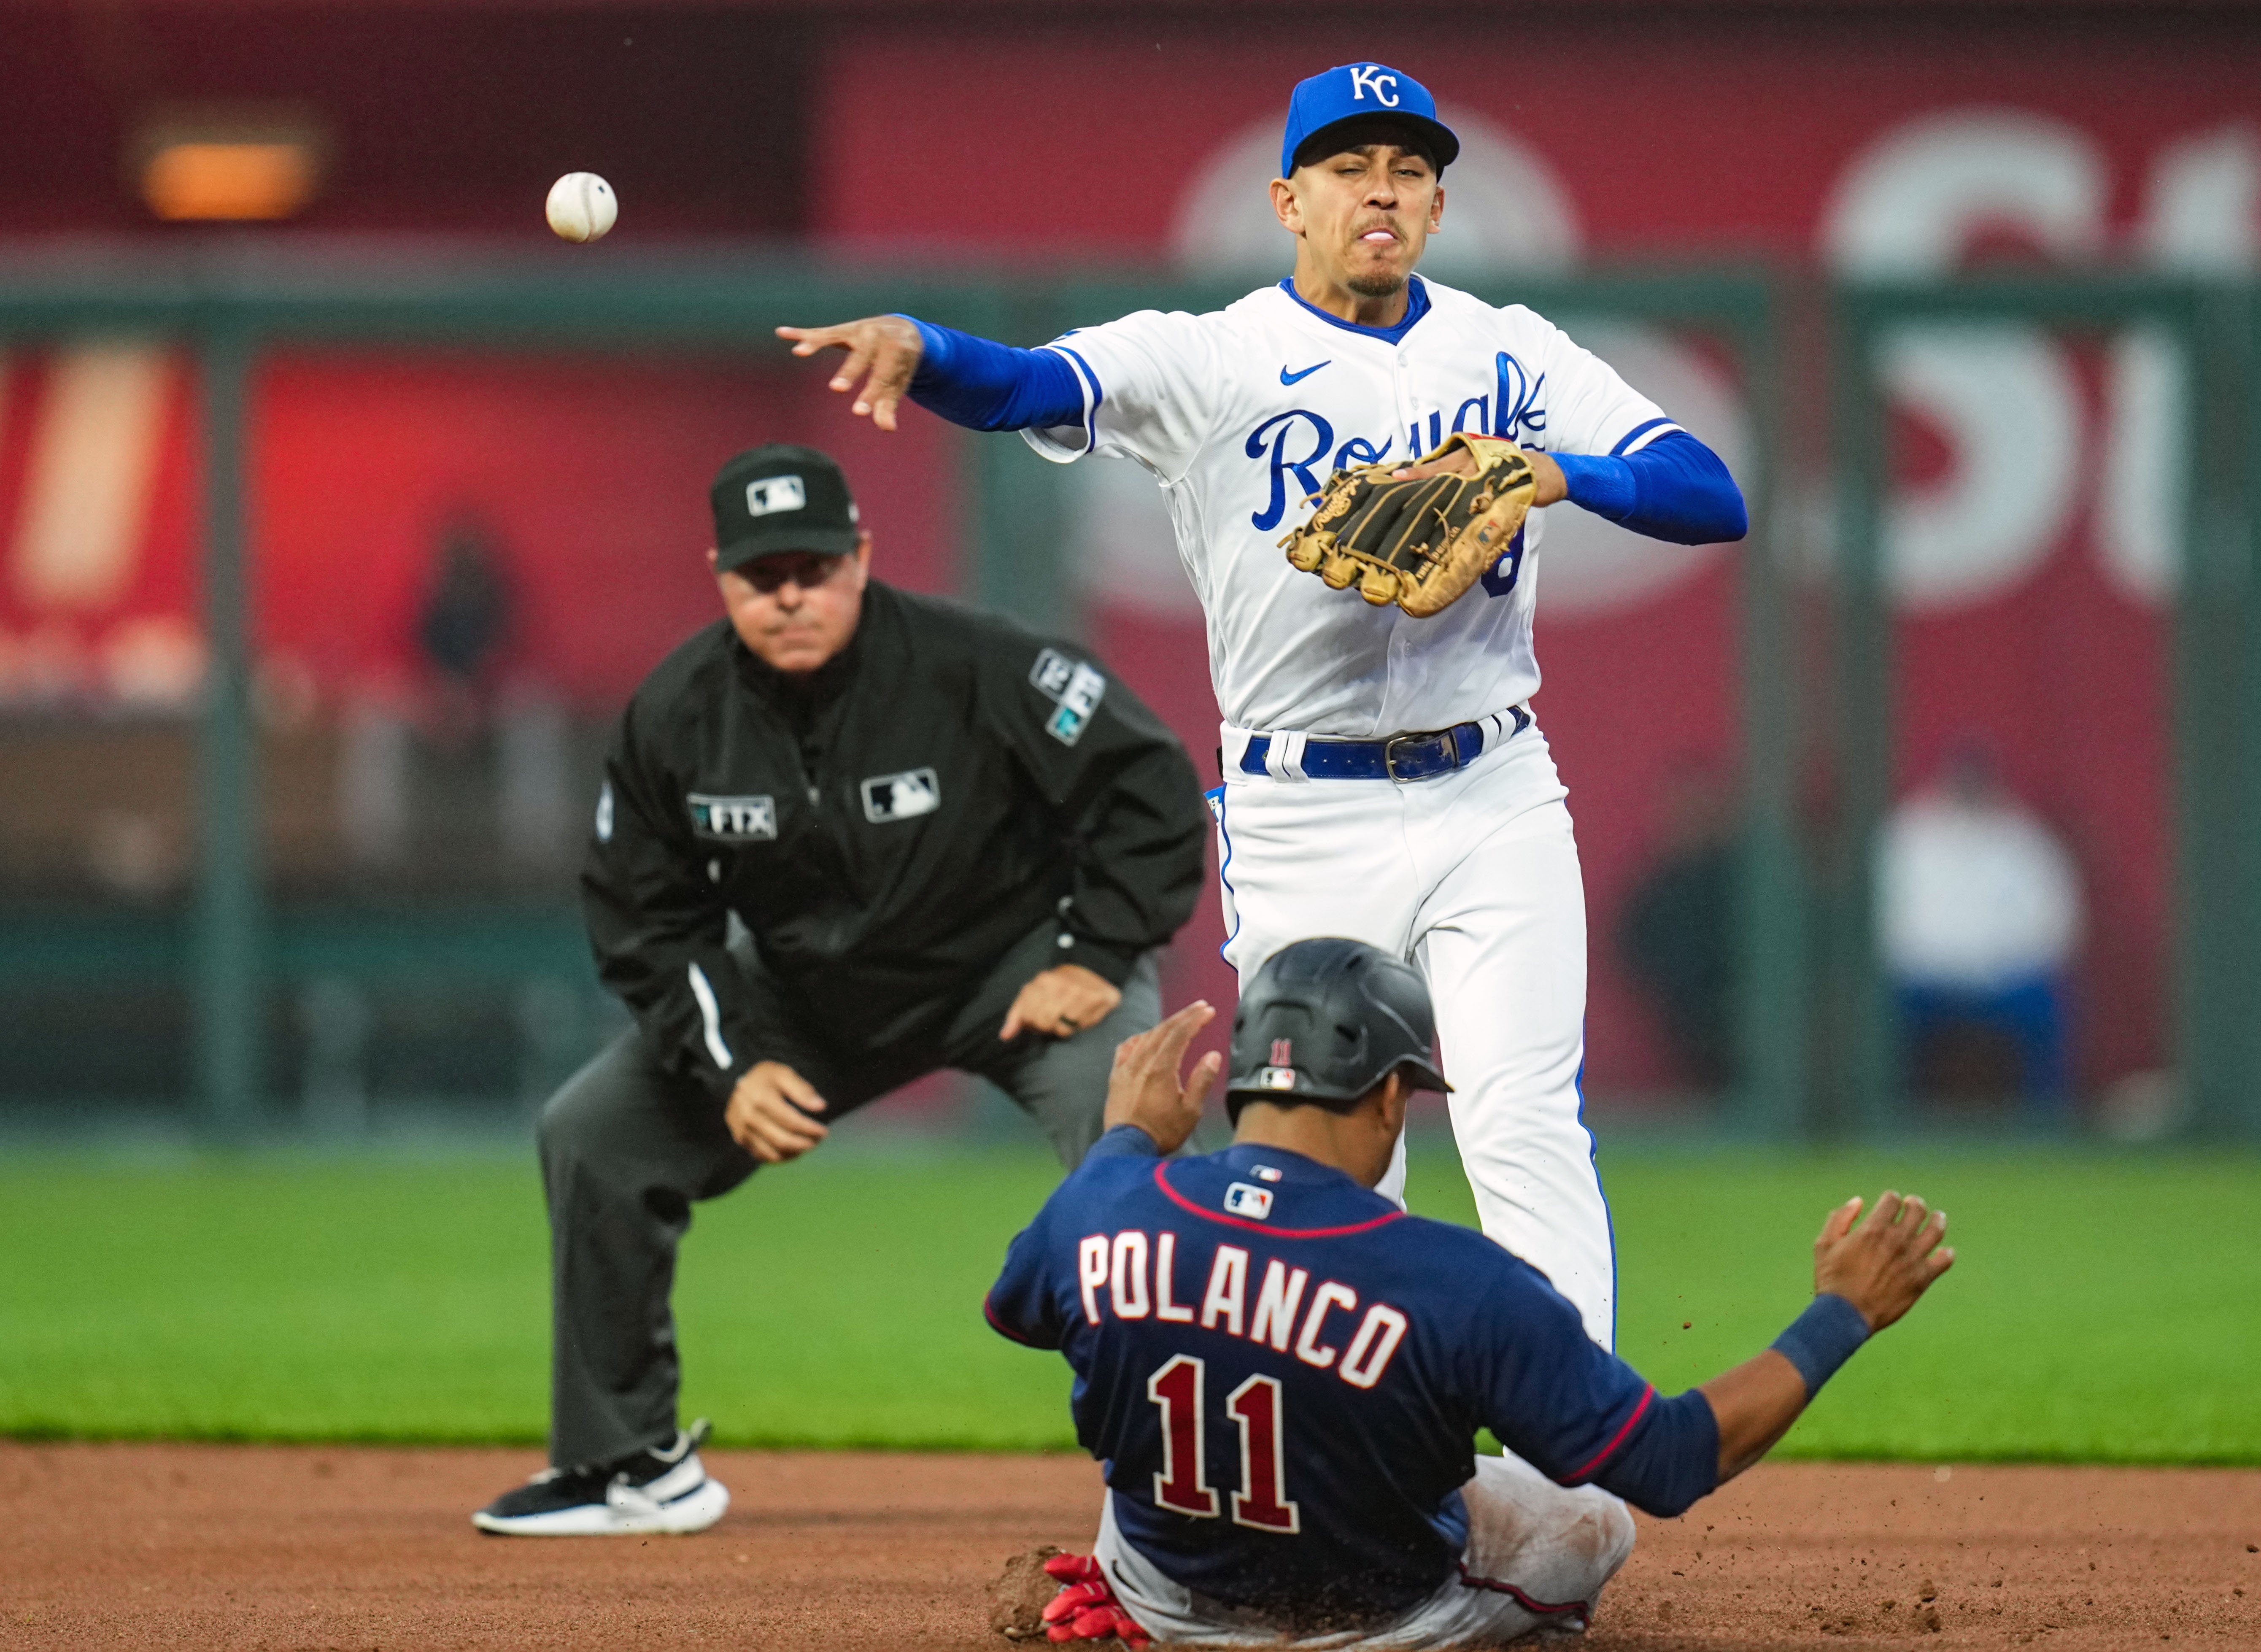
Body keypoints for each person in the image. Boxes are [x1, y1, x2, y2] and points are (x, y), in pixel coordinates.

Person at [777, 62, 1747, 1352]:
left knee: (1520, 1113)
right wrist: (926, 350)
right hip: (1302, 812)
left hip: (1492, 791)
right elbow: (1026, 385)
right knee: (1331, 1153)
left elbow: (1707, 491)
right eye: (1350, 168)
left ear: (1440, 206)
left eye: (1407, 169)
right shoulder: (1212, 356)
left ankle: (1559, 1463)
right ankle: (1361, 1460)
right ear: (1288, 200)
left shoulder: (1512, 352)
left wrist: (1557, 469)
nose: (1381, 190)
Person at [472, 444, 1208, 1537]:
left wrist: (1096, 955)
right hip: (808, 996)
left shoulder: (972, 662)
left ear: (862, 558)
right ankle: (626, 1464)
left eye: (813, 568)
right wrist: (731, 1065)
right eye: (763, 576)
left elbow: (1147, 783)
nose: (791, 596)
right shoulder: (677, 712)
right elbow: (643, 918)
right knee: (595, 1133)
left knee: (1141, 1136)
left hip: (1010, 969)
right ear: (720, 577)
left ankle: (1222, 1464)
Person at [985, 938, 1953, 1652]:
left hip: (1161, 1586)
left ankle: (1142, 1601)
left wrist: (1121, 1145)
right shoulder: (1459, 1280)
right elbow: (1667, 1461)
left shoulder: (1106, 1204)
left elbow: (1014, 1307)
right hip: (1373, 1619)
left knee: (1149, 1397)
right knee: (1591, 1519)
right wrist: (1842, 1312)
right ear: (1386, 1096)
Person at [1878, 743, 2082, 1104]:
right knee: (1886, 1010)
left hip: (2004, 982)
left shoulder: (2022, 842)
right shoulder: (1907, 837)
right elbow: (1881, 921)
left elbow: (2058, 924)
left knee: (2046, 1006)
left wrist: (1996, 967)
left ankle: (2046, 1122)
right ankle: (1891, 1115)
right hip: (1923, 980)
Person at [1617, 759, 1740, 1093]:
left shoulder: (1750, 880)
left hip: (1750, 1013)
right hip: (1686, 1017)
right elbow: (1630, 945)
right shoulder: (1660, 891)